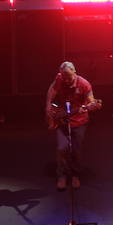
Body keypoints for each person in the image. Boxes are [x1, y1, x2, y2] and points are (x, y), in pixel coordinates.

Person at [45, 61, 100, 190]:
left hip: (79, 120)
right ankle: (62, 176)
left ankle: (75, 175)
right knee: (62, 148)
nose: (66, 80)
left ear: (74, 72)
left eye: (69, 77)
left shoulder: (84, 84)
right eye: (64, 77)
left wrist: (87, 107)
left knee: (76, 149)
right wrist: (48, 106)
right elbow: (52, 91)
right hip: (62, 119)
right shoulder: (59, 78)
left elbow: (91, 102)